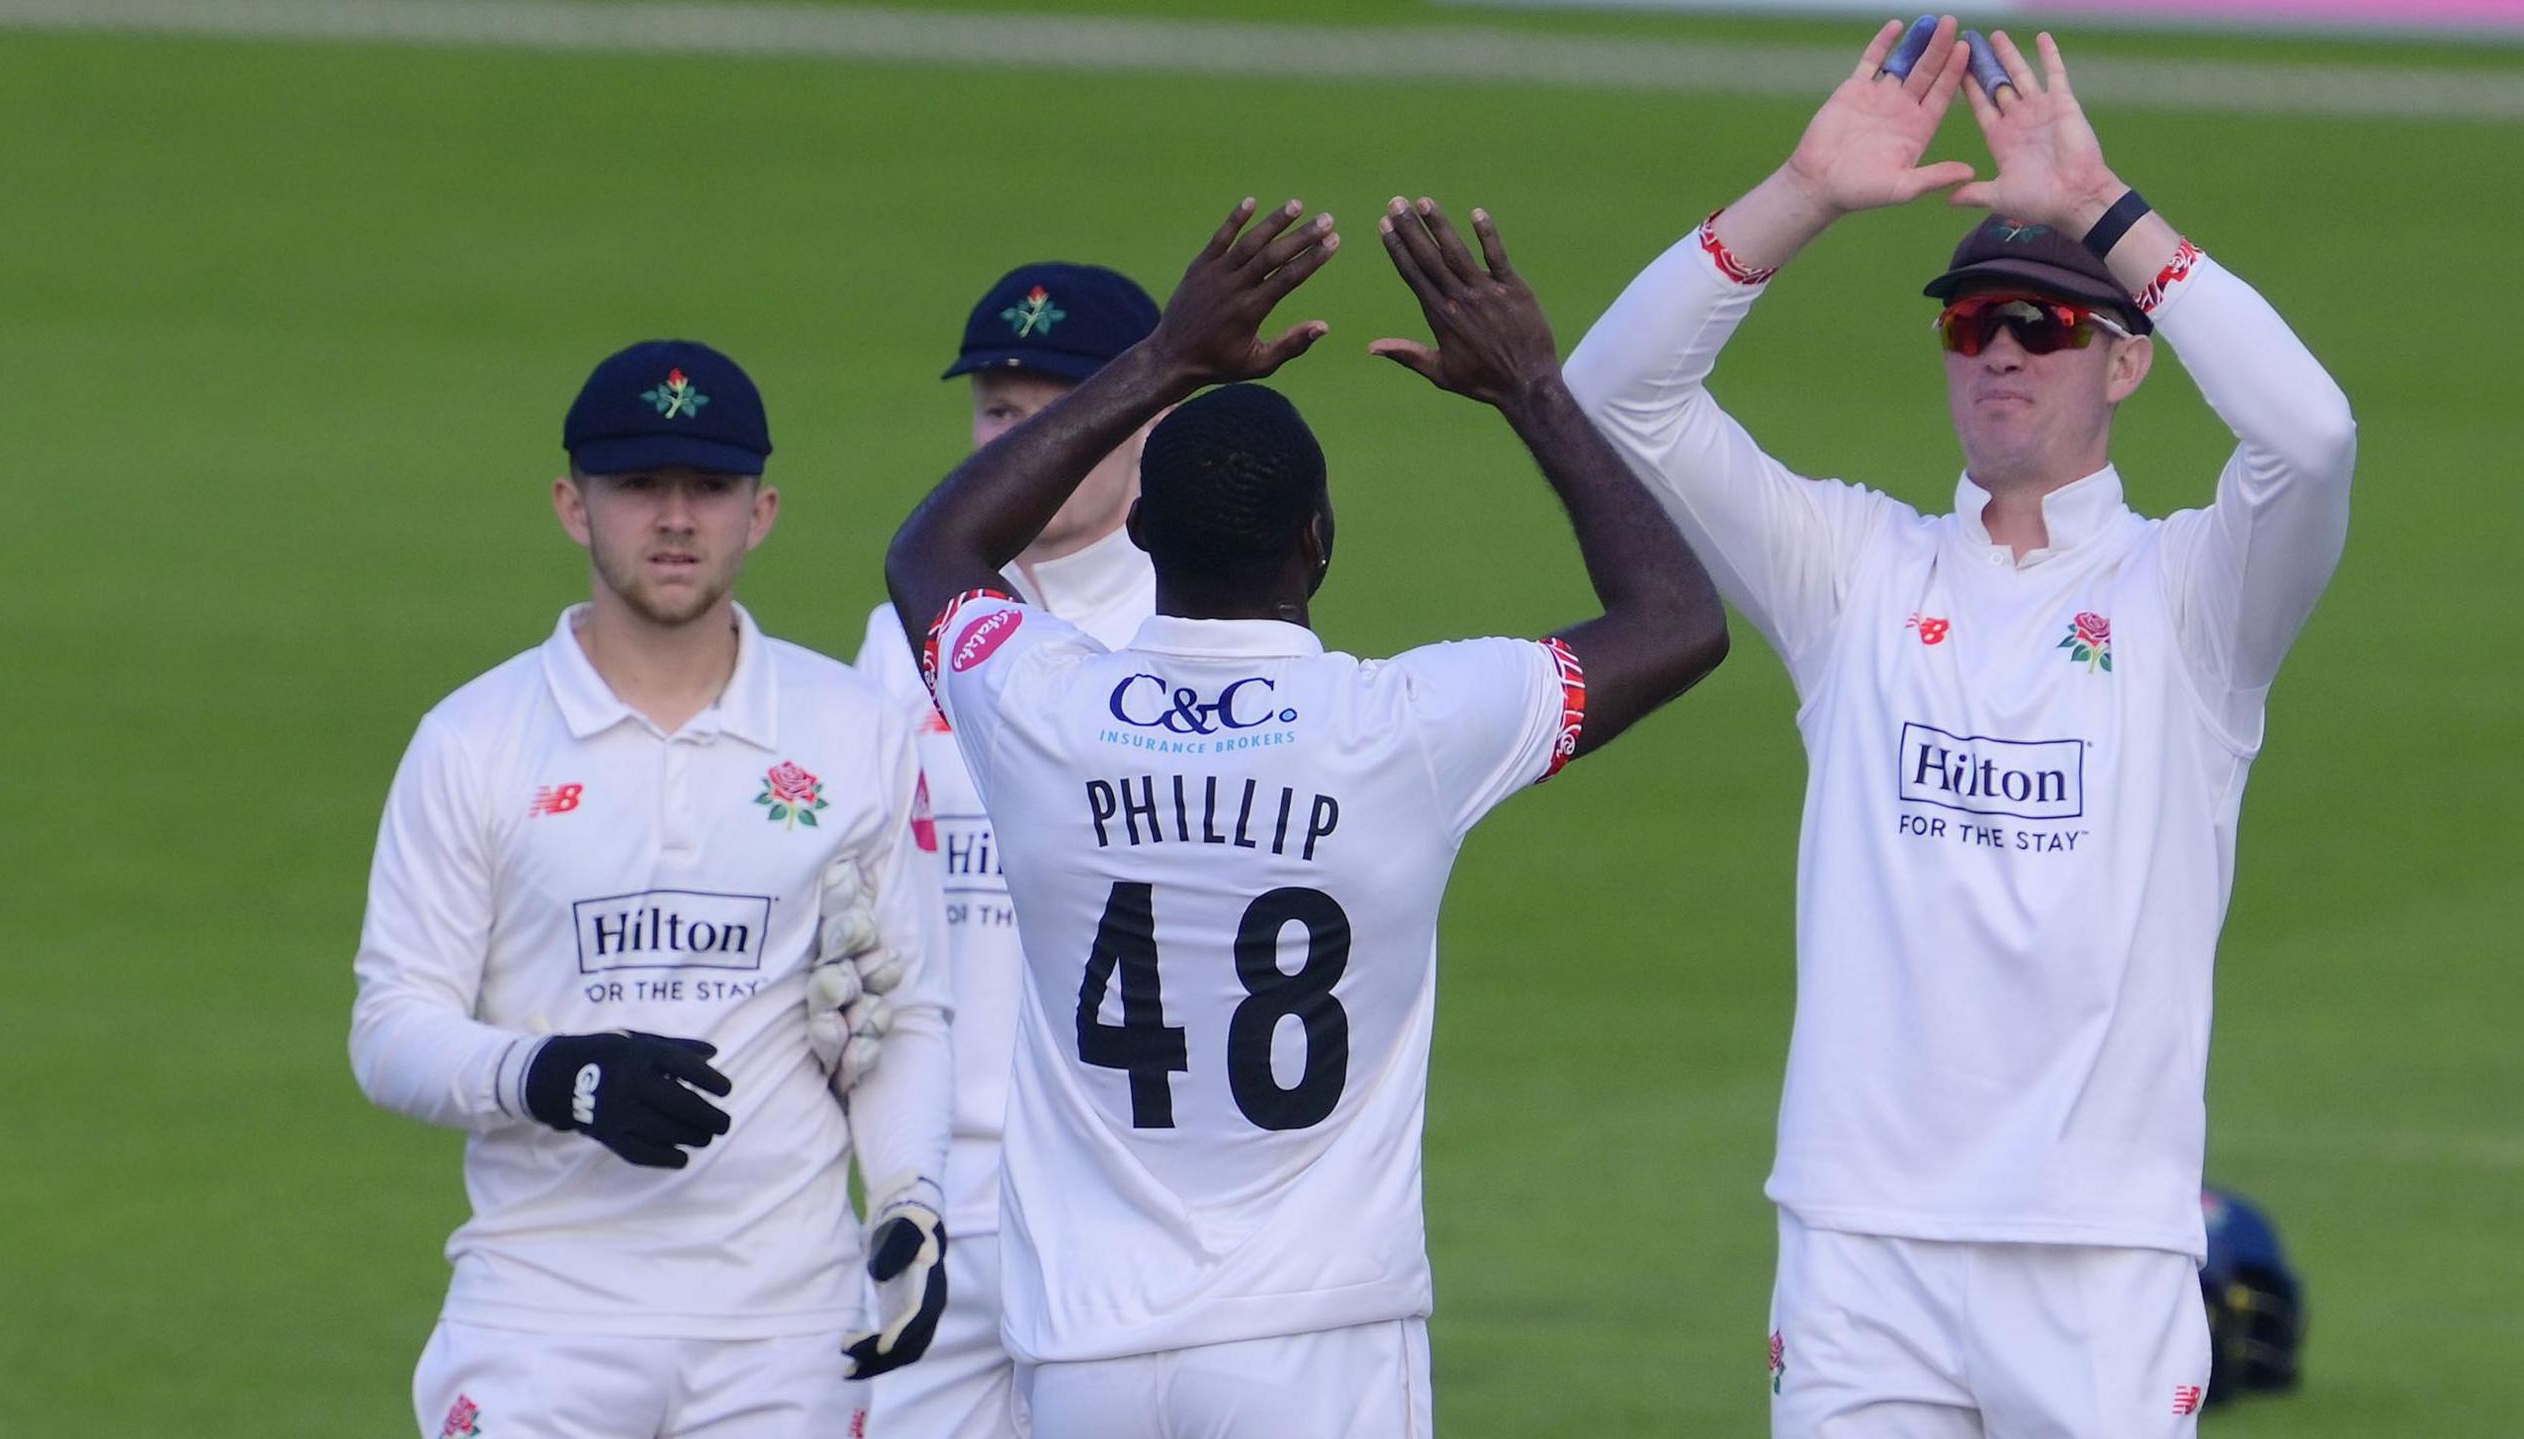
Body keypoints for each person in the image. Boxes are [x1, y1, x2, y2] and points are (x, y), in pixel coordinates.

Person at [1562, 18, 2354, 1436]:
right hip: (1862, 1240)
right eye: (1968, 323)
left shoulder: (2194, 597)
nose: (2000, 350)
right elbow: (1617, 396)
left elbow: (2312, 438)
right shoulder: (1853, 572)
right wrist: (1800, 192)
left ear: (2126, 363)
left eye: (2043, 326)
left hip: (2100, 1255)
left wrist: (2110, 218)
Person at [884, 195, 1728, 1437]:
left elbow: (932, 549)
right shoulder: (1401, 727)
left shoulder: (1039, 701)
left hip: (1083, 1345)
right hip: (1314, 1338)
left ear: (1142, 532)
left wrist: (1163, 355)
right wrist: (1534, 390)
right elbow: (1676, 620)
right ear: (1318, 541)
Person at [349, 339, 957, 1439]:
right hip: (541, 1314)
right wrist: (553, 1073)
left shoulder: (854, 731)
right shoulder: (474, 740)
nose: (675, 518)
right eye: (638, 486)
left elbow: (901, 1009)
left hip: (788, 1326)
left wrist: (912, 1199)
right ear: (572, 507)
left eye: (709, 488)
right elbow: (390, 1027)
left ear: (761, 511)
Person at [855, 261, 1164, 1438]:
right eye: (995, 413)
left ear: (1147, 420)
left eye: (1055, 415)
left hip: (1118, 1213)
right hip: (933, 1201)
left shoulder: (1200, 633)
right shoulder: (903, 638)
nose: (1014, 442)